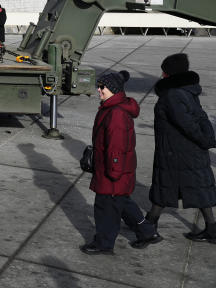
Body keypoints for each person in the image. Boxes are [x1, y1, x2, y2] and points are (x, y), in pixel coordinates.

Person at [80, 70, 159, 254]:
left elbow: (116, 147)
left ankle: (103, 244)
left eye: (102, 87)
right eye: (98, 86)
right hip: (118, 169)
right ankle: (147, 232)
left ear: (113, 89)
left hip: (113, 171)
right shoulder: (113, 106)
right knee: (121, 202)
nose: (98, 90)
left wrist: (113, 172)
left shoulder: (115, 113)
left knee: (105, 209)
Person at [145, 53, 216, 242]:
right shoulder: (188, 90)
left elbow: (187, 124)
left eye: (165, 71)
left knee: (164, 188)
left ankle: (149, 226)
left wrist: (205, 139)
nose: (162, 74)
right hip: (188, 151)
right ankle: (212, 229)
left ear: (171, 73)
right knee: (197, 188)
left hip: (176, 152)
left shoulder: (172, 95)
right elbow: (201, 117)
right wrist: (207, 138)